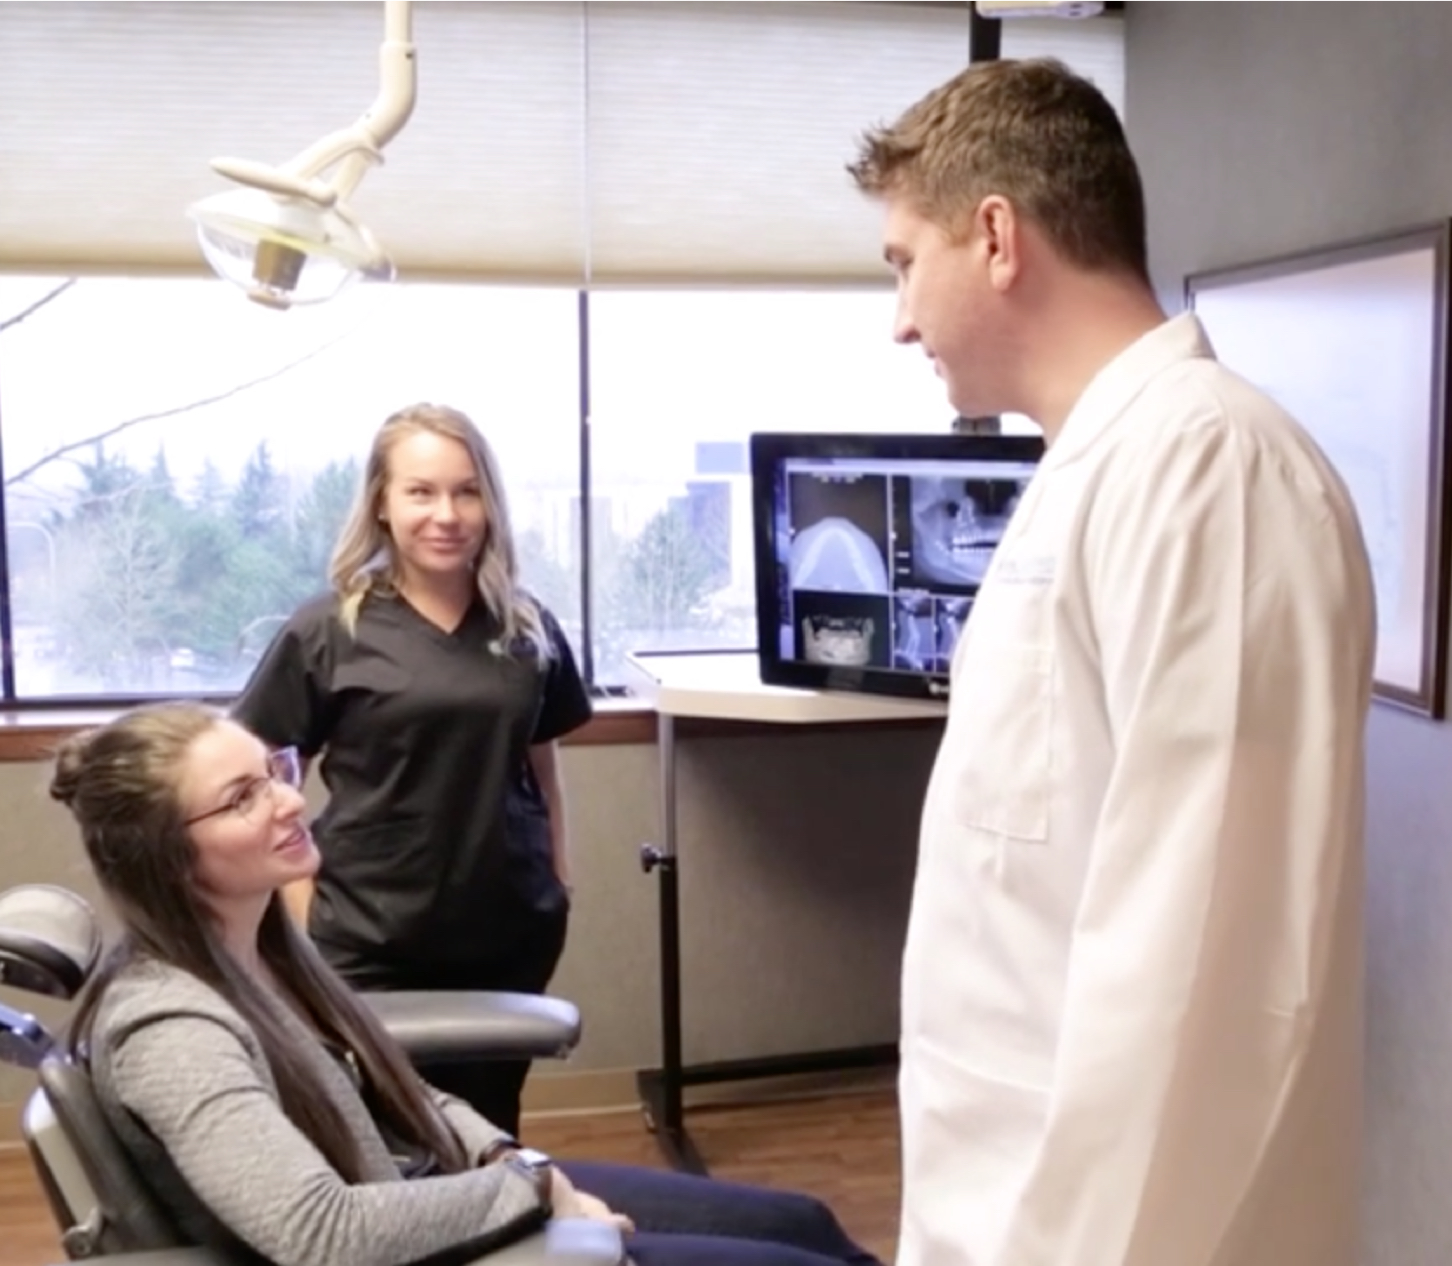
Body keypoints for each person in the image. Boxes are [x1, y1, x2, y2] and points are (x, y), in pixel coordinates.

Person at [848, 58, 1374, 1266]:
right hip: (1002, 1202)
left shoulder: (1211, 468)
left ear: (996, 238)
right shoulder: (1090, 470)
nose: (900, 321)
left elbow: (1205, 978)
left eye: (903, 264)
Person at [50, 703, 885, 1266]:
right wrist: (533, 1191)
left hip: (439, 1189)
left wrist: (505, 1154)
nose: (290, 802)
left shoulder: (261, 952)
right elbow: (319, 1232)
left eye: (276, 770)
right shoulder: (173, 1029)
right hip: (413, 1241)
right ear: (165, 854)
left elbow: (403, 1092)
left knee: (804, 1224)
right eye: (242, 798)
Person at [232, 402, 586, 1137]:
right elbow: (264, 778)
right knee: (373, 1130)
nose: (446, 515)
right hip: (365, 934)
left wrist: (558, 875)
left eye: (466, 491)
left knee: (487, 1125)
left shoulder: (527, 627)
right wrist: (301, 910)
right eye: (421, 492)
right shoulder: (329, 628)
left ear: (489, 503)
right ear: (382, 504)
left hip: (507, 929)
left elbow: (542, 766)